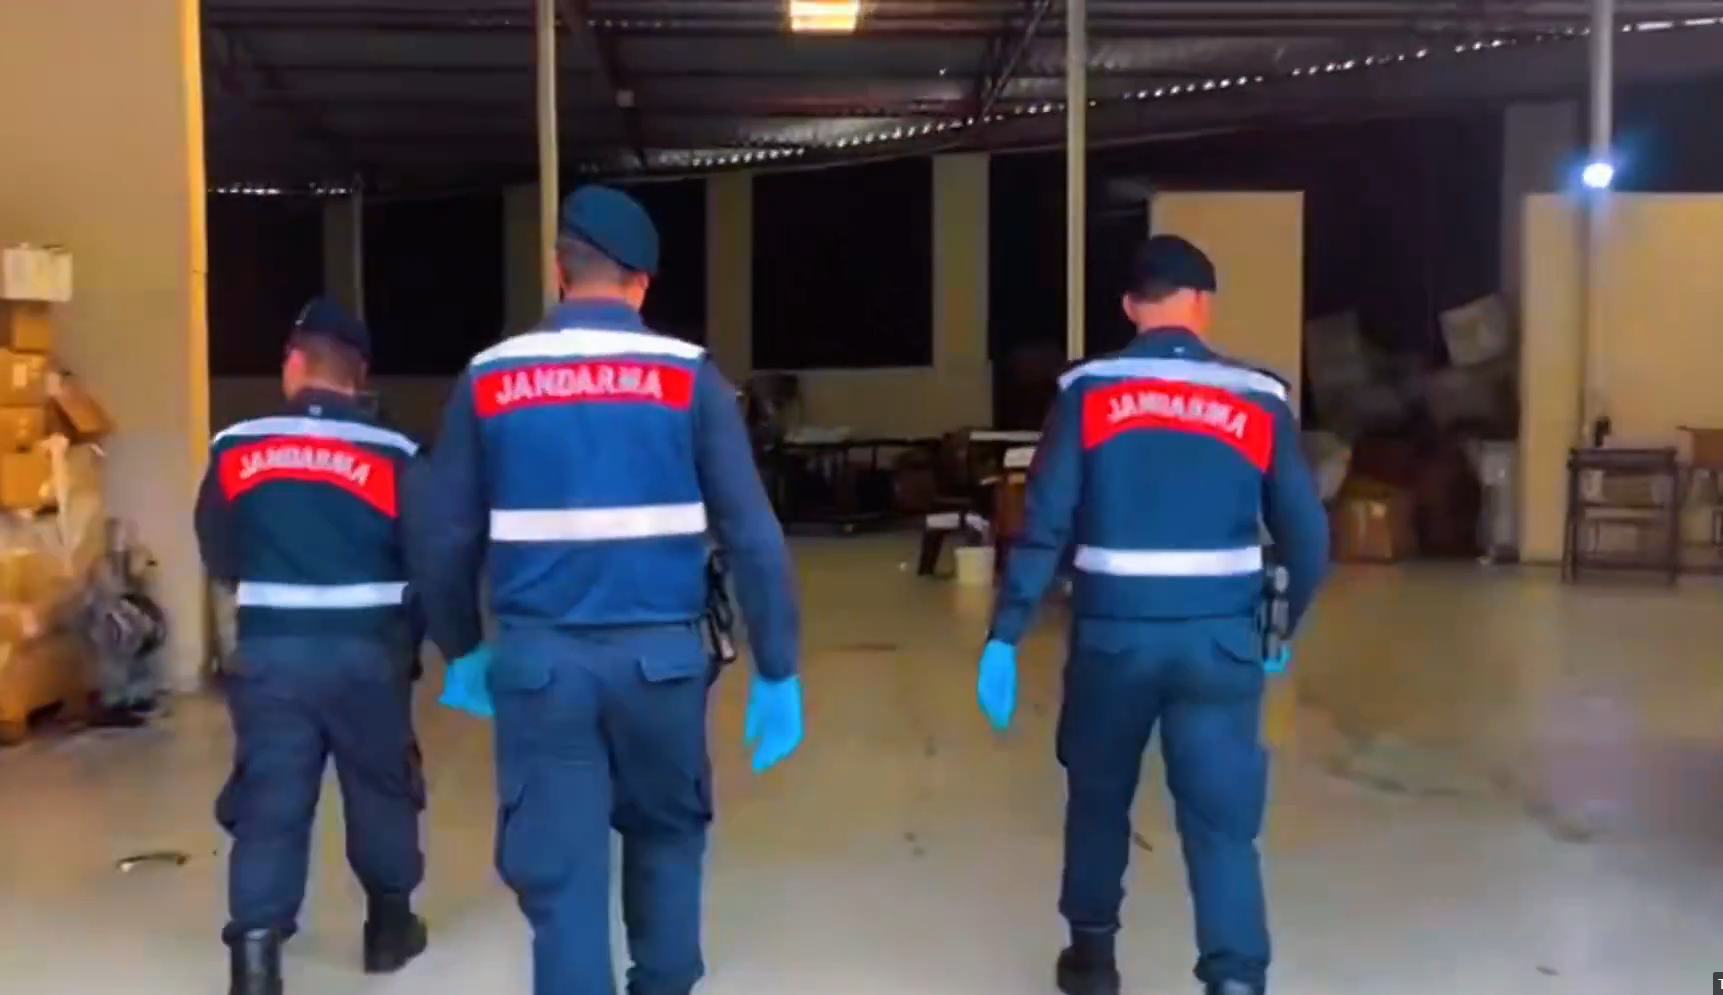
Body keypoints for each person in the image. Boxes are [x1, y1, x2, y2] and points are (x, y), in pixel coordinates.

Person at [405, 185, 802, 995]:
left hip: (540, 668)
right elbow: (754, 536)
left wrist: (463, 648)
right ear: (642, 283)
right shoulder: (689, 377)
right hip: (662, 664)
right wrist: (776, 665)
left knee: (562, 875)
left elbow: (442, 540)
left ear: (559, 270)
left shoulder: (489, 377)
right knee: (666, 839)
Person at [973, 235, 1329, 995]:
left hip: (1113, 640)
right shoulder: (1258, 396)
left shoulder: (1088, 391)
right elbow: (1307, 536)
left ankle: (1092, 961)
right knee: (1221, 822)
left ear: (1130, 306)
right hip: (1220, 641)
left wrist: (1006, 631)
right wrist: (1278, 626)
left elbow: (1045, 520)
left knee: (1098, 798)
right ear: (1202, 304)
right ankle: (1234, 979)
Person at [195, 299, 429, 995]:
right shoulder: (396, 454)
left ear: (293, 363)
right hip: (369, 653)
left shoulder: (237, 446)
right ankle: (388, 928)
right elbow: (428, 558)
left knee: (270, 795)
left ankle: (256, 954)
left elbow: (218, 549)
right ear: (360, 375)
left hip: (272, 653)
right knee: (381, 788)